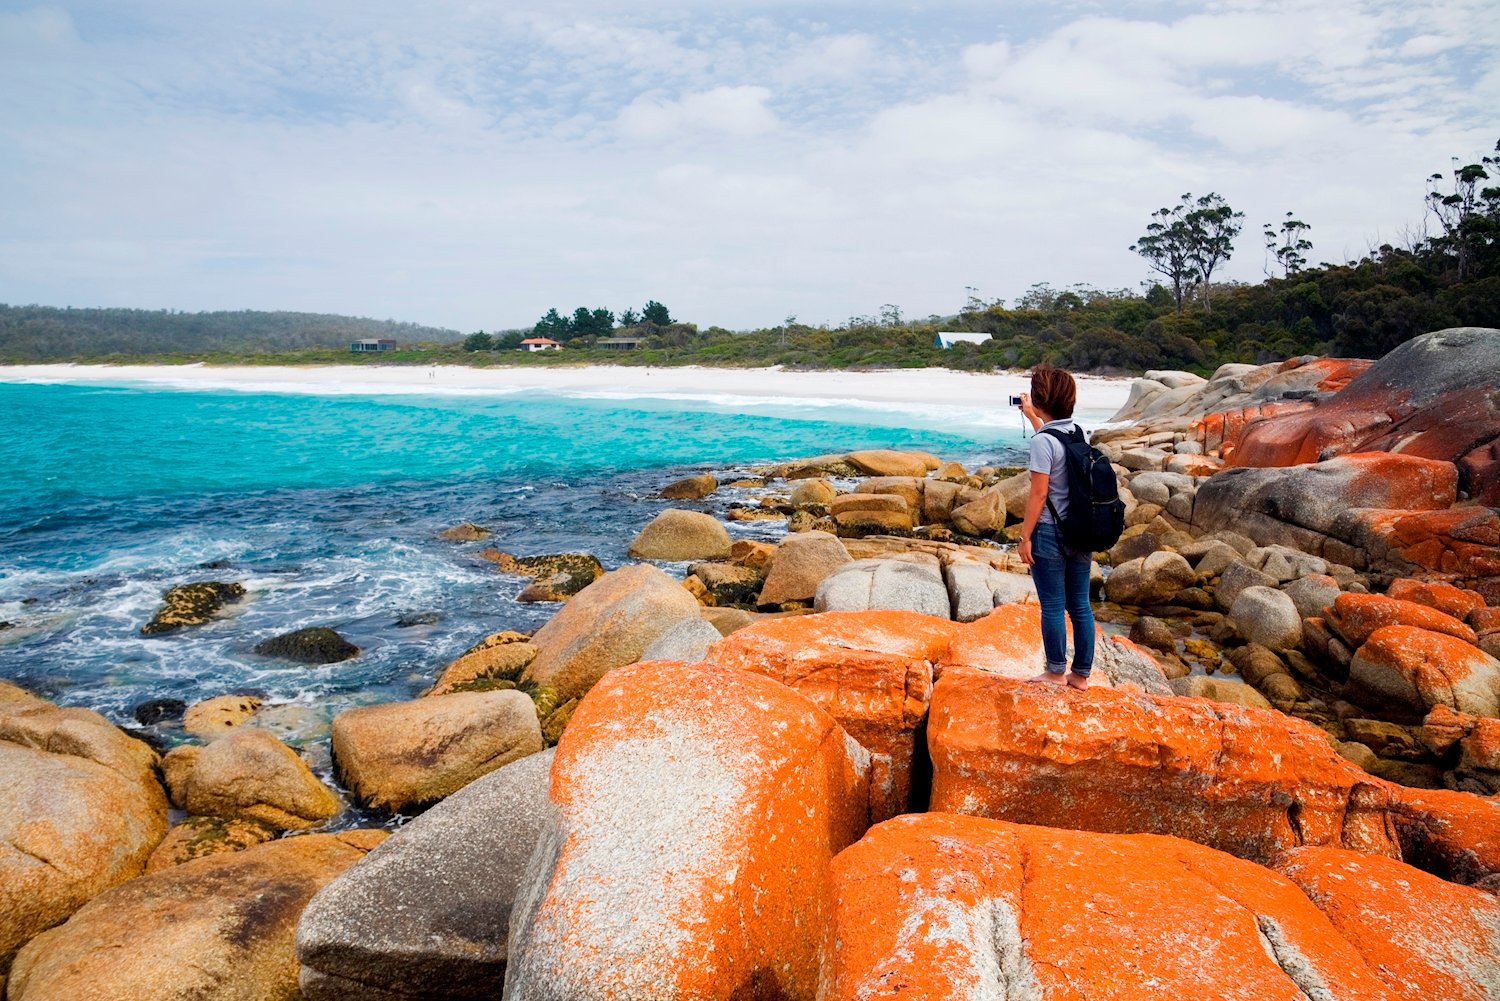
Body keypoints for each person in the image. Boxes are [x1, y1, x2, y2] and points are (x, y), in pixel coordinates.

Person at [1017, 365, 1094, 690]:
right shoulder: (1078, 432)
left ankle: (1055, 670)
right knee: (1080, 604)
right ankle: (1080, 675)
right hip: (1081, 529)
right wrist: (1034, 416)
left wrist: (1024, 537)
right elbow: (1051, 435)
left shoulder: (1041, 444)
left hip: (1049, 532)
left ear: (1039, 399)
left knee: (1051, 604)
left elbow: (1039, 492)